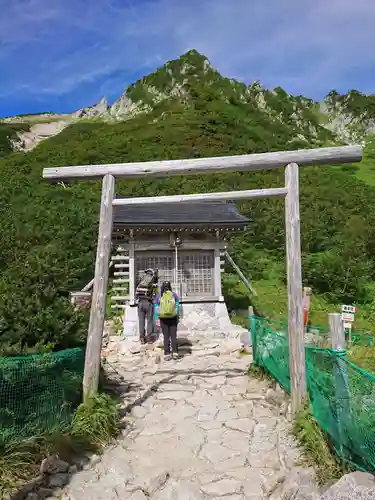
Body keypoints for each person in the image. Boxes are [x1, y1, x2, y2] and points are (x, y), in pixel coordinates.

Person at [154, 281, 180, 360]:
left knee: (166, 336)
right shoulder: (174, 295)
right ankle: (175, 352)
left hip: (163, 318)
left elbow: (156, 308)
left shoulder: (159, 296)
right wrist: (177, 317)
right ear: (170, 286)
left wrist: (157, 319)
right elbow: (177, 307)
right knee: (173, 336)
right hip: (173, 318)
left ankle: (167, 354)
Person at [136, 268, 158, 344]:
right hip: (148, 303)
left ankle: (142, 338)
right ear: (152, 275)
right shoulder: (152, 283)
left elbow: (136, 293)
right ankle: (149, 338)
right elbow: (155, 294)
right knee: (149, 321)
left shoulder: (140, 282)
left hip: (140, 303)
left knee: (141, 321)